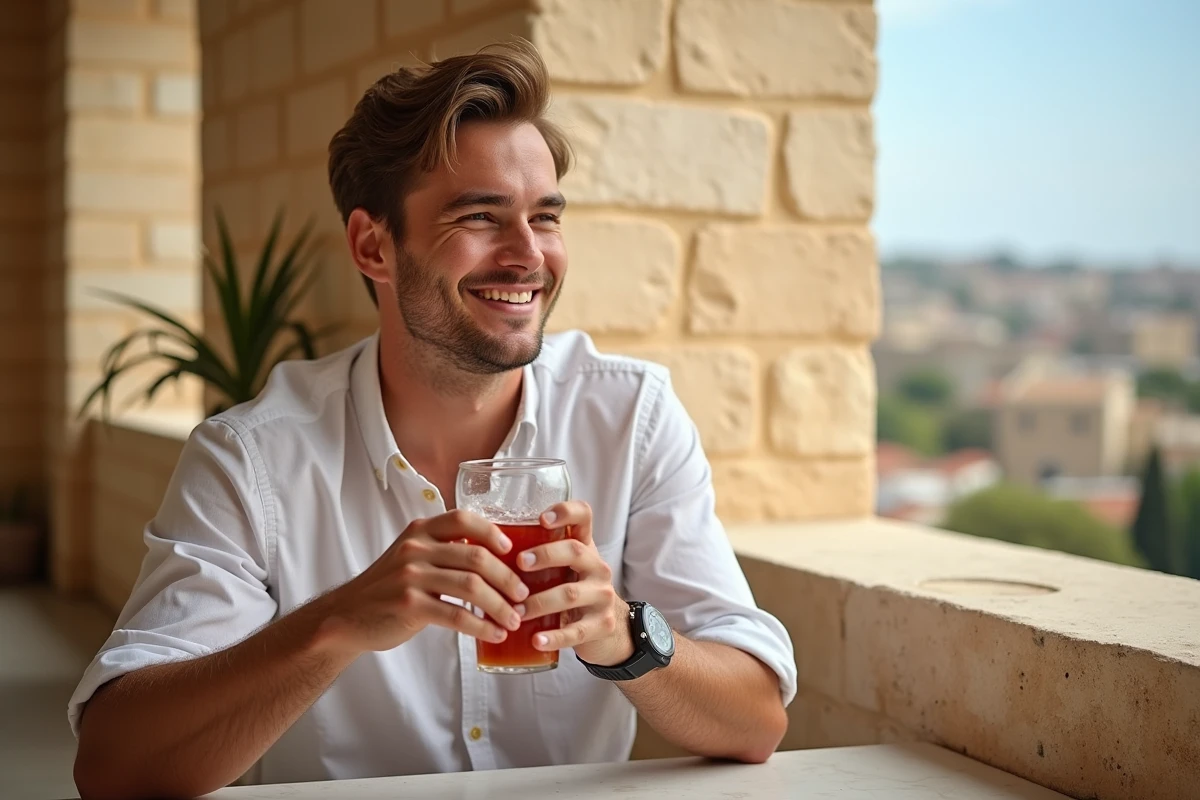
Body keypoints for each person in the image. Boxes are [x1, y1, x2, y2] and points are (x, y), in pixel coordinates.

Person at [70, 40, 797, 799]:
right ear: (373, 246)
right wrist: (340, 622)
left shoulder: (630, 417)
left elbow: (757, 720)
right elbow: (114, 767)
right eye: (481, 217)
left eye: (544, 218)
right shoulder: (252, 457)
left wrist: (621, 632)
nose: (528, 257)